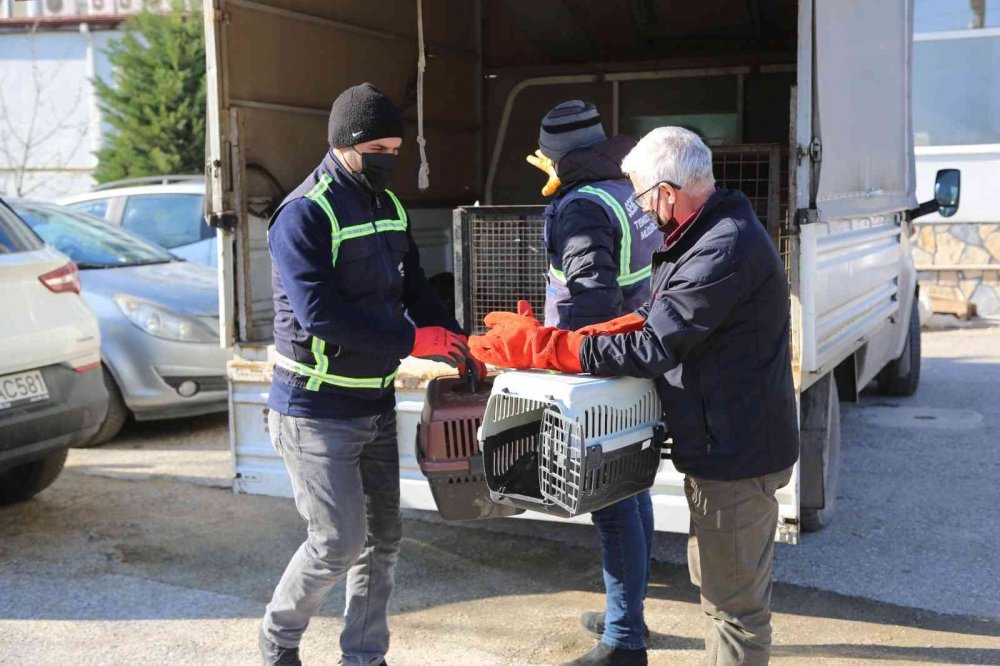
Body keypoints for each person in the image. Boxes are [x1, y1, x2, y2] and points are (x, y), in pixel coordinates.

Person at [470, 126, 799, 666]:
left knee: (734, 610)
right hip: (728, 446)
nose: (642, 210)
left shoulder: (723, 247)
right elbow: (655, 317)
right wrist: (580, 338)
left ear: (668, 192)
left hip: (737, 457)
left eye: (645, 197)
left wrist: (545, 348)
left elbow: (652, 347)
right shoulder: (707, 232)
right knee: (719, 591)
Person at [261, 82, 484, 666]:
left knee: (382, 542)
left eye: (396, 147)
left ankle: (364, 656)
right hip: (314, 410)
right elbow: (322, 317)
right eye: (379, 148)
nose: (391, 158)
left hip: (373, 404)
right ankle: (277, 642)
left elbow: (414, 290)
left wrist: (458, 339)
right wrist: (415, 341)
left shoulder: (389, 206)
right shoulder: (303, 214)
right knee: (336, 543)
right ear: (345, 145)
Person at [529, 100, 660, 666]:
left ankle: (625, 640)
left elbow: (593, 299)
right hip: (640, 356)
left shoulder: (582, 207)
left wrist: (572, 364)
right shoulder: (628, 189)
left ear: (558, 156)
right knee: (634, 488)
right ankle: (625, 613)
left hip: (602, 366)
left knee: (610, 499)